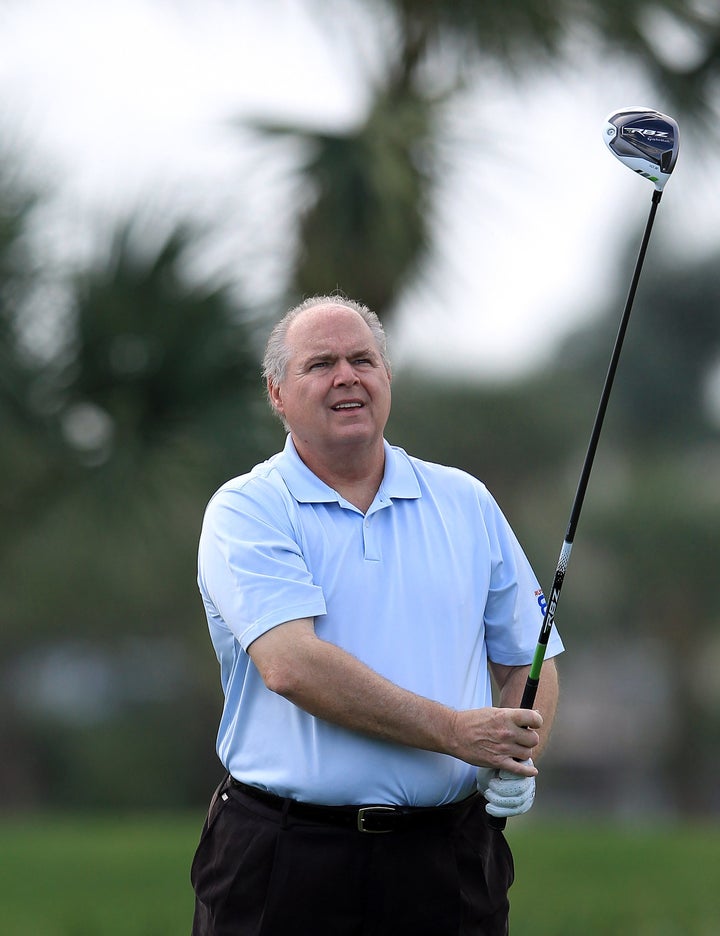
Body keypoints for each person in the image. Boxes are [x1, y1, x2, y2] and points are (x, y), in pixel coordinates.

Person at [190, 295, 563, 936]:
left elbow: (528, 656)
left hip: (446, 858)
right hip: (285, 856)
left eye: (364, 359)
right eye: (321, 363)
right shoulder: (247, 509)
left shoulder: (465, 501)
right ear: (276, 393)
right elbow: (291, 666)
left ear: (387, 380)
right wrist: (455, 732)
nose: (347, 376)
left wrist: (520, 752)